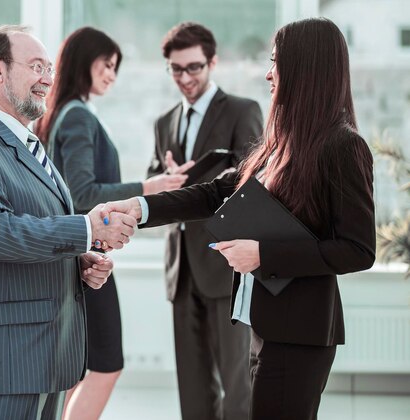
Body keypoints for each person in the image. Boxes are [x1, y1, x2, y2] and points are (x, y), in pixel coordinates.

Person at [101, 17, 375, 420]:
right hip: (263, 325)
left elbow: (358, 250)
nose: (268, 73)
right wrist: (140, 207)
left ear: (304, 67)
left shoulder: (343, 146)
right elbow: (214, 192)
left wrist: (264, 254)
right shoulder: (280, 143)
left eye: (275, 62)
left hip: (299, 333)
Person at [0, 25, 137, 420]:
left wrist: (78, 262)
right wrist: (86, 230)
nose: (48, 78)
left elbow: (28, 229)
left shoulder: (29, 145)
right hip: (3, 363)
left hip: (46, 356)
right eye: (36, 66)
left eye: (50, 67)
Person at [34, 26, 188, 420]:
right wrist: (147, 187)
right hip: (88, 259)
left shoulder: (61, 114)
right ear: (85, 62)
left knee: (77, 369)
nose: (111, 75)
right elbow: (84, 193)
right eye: (107, 65)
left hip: (71, 255)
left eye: (116, 68)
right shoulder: (78, 117)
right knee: (106, 364)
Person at [146, 22, 263, 420]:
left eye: (193, 67)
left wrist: (201, 181)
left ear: (213, 62)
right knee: (192, 386)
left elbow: (254, 184)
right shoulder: (164, 122)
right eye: (176, 70)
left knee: (237, 383)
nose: (185, 78)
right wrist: (168, 179)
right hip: (180, 270)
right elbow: (154, 185)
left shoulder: (242, 111)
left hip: (224, 265)